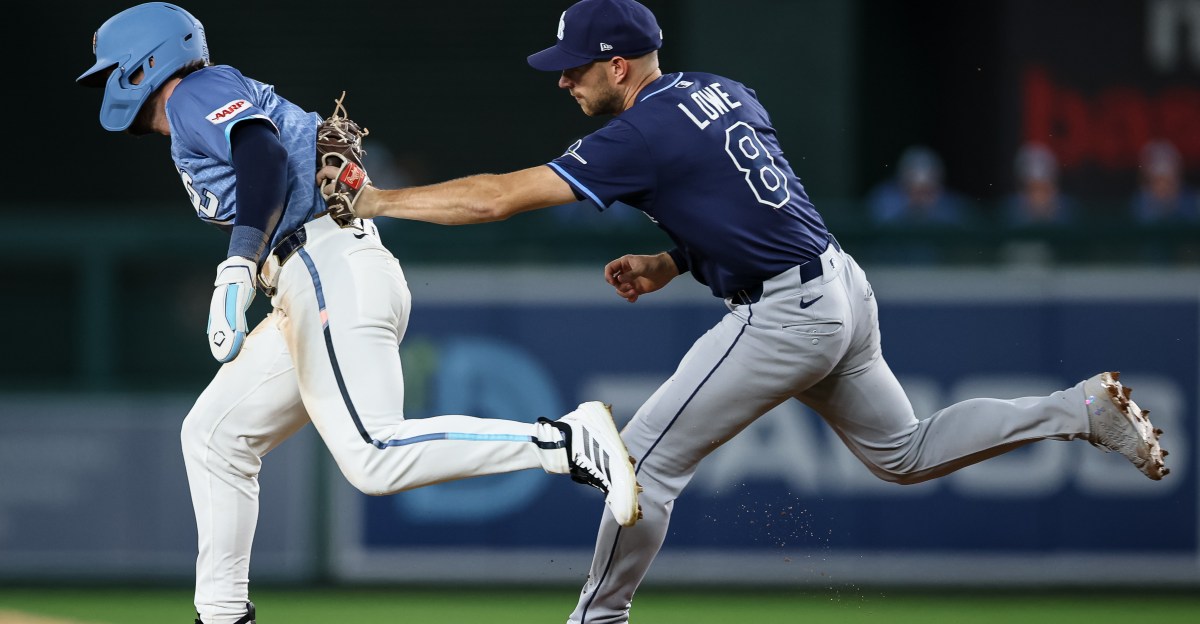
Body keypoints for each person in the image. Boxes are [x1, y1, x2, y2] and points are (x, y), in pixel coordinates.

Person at [319, 1, 1169, 622]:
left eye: (576, 65)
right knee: (904, 454)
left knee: (641, 462)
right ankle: (1077, 409)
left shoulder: (639, 132)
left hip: (787, 313)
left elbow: (502, 198)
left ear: (620, 64)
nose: (565, 78)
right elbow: (758, 205)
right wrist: (673, 259)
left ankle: (596, 620)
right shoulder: (724, 92)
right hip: (837, 281)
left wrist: (381, 199)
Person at [76, 4, 640, 624]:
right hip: (320, 271)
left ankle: (562, 440)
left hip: (325, 263)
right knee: (214, 436)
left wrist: (238, 262)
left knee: (374, 454)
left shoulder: (194, 91)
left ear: (144, 64)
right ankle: (220, 614)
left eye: (111, 71)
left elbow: (260, 152)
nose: (107, 83)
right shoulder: (201, 104)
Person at [867, 145, 971, 226]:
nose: (920, 198)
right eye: (914, 191)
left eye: (927, 191)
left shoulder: (951, 207)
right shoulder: (884, 201)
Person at [1003, 141, 1076, 227]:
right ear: (1021, 190)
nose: (1038, 196)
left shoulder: (1068, 212)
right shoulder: (1010, 213)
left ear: (1055, 188)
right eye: (1032, 189)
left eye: (1044, 189)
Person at [1131, 139, 1199, 224]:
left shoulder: (1192, 202)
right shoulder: (1139, 204)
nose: (1163, 186)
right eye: (1158, 180)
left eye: (1168, 180)